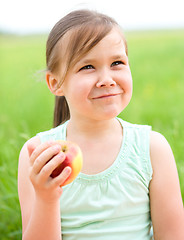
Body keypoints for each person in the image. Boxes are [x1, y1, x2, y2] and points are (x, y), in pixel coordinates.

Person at [18, 9, 184, 240]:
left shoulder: (151, 148)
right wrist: (46, 198)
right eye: (87, 67)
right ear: (56, 83)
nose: (107, 80)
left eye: (117, 63)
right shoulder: (40, 154)